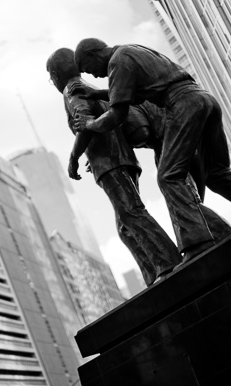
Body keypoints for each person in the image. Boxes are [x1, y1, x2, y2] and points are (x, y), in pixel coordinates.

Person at [72, 38, 231, 269]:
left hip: (182, 105)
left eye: (90, 69)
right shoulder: (131, 51)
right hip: (203, 99)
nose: (95, 75)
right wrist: (98, 94)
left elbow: (117, 115)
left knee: (169, 176)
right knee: (217, 173)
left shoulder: (117, 62)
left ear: (93, 54)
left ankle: (197, 244)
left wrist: (89, 124)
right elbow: (136, 96)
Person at [46, 47, 180, 285]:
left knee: (132, 213)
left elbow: (84, 123)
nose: (52, 81)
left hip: (111, 164)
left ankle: (168, 263)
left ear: (57, 74)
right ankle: (153, 275)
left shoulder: (72, 90)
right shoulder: (88, 86)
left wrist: (74, 158)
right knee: (125, 228)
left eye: (51, 75)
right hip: (123, 159)